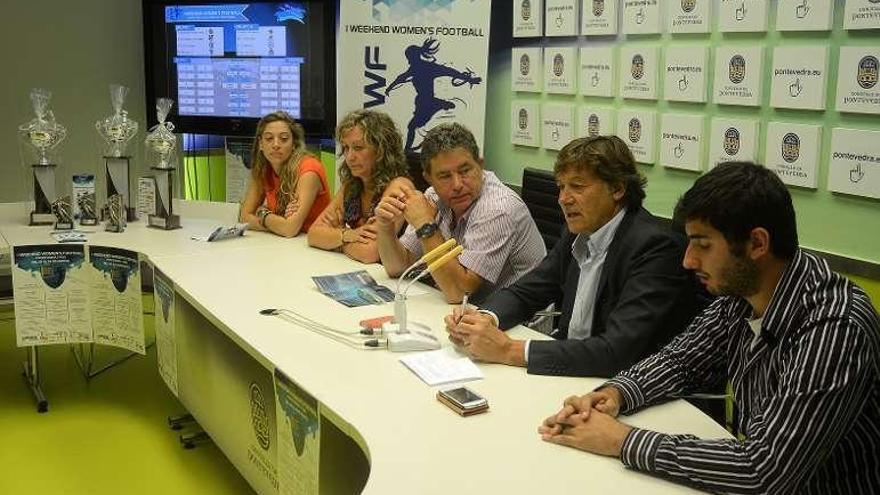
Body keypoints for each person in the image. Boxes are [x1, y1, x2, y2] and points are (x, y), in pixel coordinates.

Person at [539, 162, 880, 493]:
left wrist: (622, 440)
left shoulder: (834, 327)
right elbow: (680, 362)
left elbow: (763, 471)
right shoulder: (742, 296)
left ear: (757, 244)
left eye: (703, 245)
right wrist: (613, 395)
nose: (688, 261)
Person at [445, 135, 702, 377]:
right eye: (561, 187)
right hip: (572, 372)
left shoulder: (655, 247)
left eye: (577, 187)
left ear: (617, 189)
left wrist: (509, 350)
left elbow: (617, 351)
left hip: (626, 387)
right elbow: (527, 291)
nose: (563, 199)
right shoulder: (578, 233)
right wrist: (482, 318)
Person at [375, 123, 545, 304]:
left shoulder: (498, 209)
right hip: (469, 312)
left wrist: (426, 225)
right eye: (445, 176)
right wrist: (385, 227)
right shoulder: (433, 195)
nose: (457, 185)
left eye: (465, 171)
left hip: (521, 323)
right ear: (428, 178)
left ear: (480, 165)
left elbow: (458, 293)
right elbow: (398, 268)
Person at [307, 110, 414, 263]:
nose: (349, 157)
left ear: (381, 150)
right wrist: (346, 235)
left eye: (358, 148)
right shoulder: (352, 185)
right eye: (345, 148)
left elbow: (369, 253)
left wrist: (335, 238)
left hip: (400, 281)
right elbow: (313, 234)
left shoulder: (399, 186)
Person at [240, 111, 330, 237]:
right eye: (269, 138)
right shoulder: (263, 169)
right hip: (284, 244)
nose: (276, 145)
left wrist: (263, 214)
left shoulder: (309, 169)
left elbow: (289, 229)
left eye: (283, 139)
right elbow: (244, 217)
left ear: (294, 144)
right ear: (261, 144)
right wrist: (277, 225)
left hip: (314, 245)